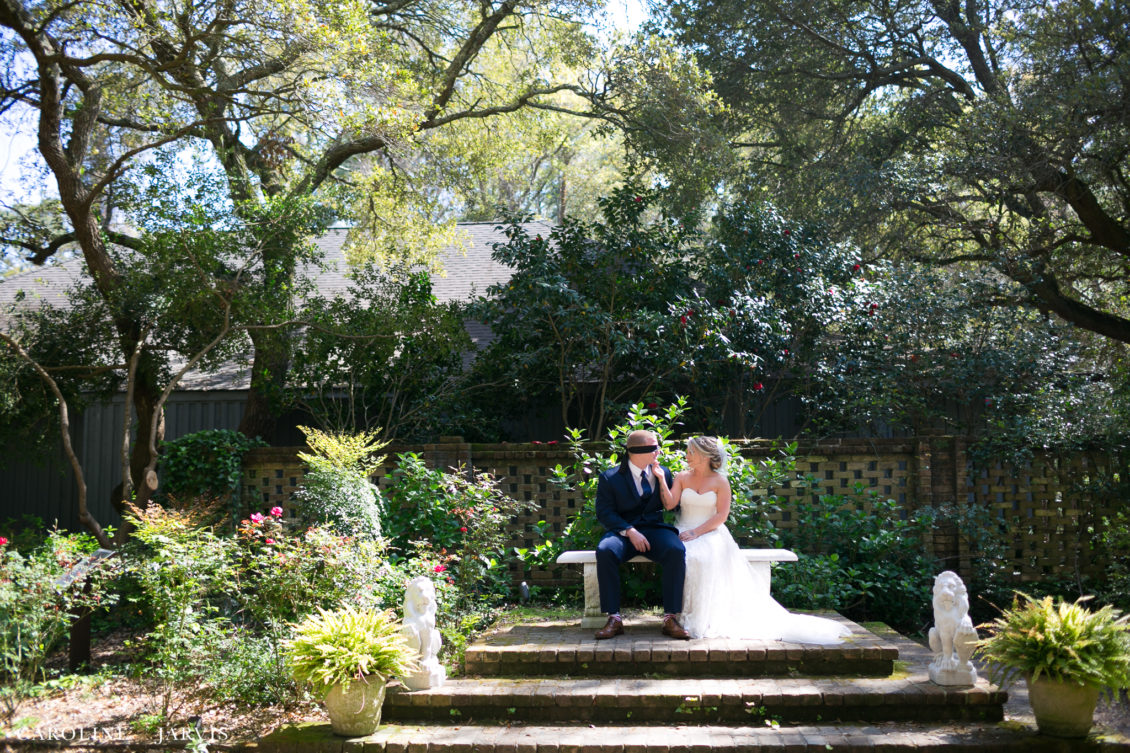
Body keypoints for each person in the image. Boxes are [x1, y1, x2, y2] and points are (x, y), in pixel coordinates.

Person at [652, 436, 850, 643]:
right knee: (684, 557)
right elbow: (669, 504)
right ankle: (678, 616)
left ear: (704, 456)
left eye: (691, 452)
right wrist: (660, 479)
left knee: (704, 558)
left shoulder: (721, 482)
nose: (687, 456)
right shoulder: (683, 477)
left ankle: (702, 616)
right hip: (683, 529)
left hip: (709, 531)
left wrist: (697, 532)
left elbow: (721, 516)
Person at [593, 429, 690, 640]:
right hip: (623, 532)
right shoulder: (610, 478)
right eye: (655, 448)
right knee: (605, 551)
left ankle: (670, 617)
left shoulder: (662, 471)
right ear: (638, 451)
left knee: (675, 550)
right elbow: (604, 512)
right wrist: (629, 530)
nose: (659, 452)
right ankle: (614, 618)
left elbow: (671, 506)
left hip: (655, 529)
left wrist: (662, 480)